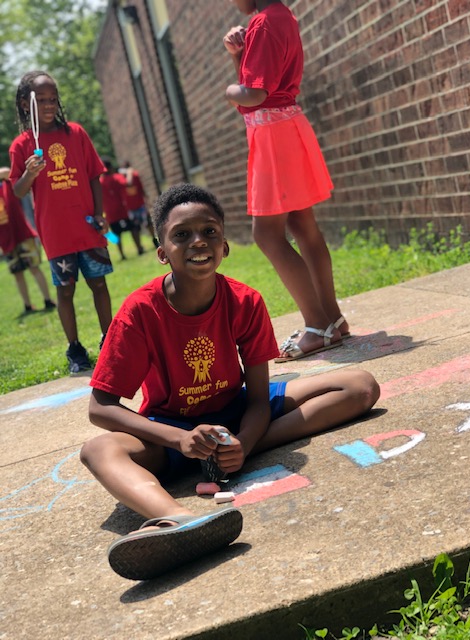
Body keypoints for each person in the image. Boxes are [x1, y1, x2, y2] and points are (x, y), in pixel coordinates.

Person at [80, 183, 380, 581]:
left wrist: (243, 444)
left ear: (224, 246)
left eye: (210, 232)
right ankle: (179, 520)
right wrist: (179, 440)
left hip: (235, 412)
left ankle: (223, 454)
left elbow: (257, 399)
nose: (198, 242)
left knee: (360, 386)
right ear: (161, 251)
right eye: (181, 235)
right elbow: (100, 407)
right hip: (172, 428)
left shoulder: (246, 301)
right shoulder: (139, 312)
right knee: (97, 450)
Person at [224, 0, 349, 362]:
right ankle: (332, 320)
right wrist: (239, 55)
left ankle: (318, 326)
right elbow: (260, 86)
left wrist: (230, 91)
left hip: (273, 135)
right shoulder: (280, 16)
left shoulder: (263, 23)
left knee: (266, 234)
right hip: (285, 126)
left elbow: (253, 95)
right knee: (301, 223)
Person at [9, 70, 113, 374]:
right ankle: (75, 348)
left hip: (86, 227)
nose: (49, 104)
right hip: (55, 233)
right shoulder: (22, 145)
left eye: (53, 98)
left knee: (98, 283)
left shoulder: (76, 133)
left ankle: (109, 340)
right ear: (25, 104)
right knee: (65, 290)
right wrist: (30, 172)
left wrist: (100, 214)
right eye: (41, 100)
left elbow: (95, 174)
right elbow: (18, 190)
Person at [0, 166, 56, 315]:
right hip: (6, 240)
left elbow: (7, 171)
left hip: (23, 235)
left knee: (34, 268)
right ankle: (27, 305)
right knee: (17, 273)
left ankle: (47, 299)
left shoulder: (6, 184)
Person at [100, 158, 145, 260]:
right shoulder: (116, 177)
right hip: (123, 210)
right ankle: (139, 248)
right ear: (111, 168)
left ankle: (122, 255)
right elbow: (128, 183)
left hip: (110, 213)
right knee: (133, 229)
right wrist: (129, 171)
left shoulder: (100, 182)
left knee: (116, 234)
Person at [119, 160, 156, 245]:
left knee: (147, 224)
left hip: (139, 205)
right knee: (135, 228)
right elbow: (129, 183)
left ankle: (154, 240)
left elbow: (139, 188)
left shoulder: (134, 175)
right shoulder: (121, 178)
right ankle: (139, 247)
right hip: (130, 207)